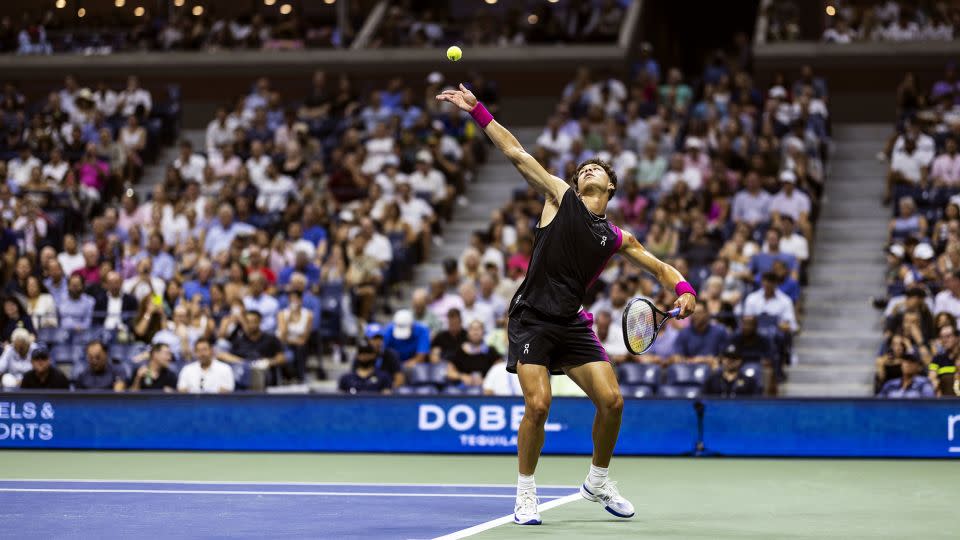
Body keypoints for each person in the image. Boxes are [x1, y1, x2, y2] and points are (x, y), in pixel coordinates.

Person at [437, 84, 696, 525]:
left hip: (572, 322)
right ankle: (525, 493)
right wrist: (477, 110)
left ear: (610, 187)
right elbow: (517, 153)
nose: (590, 169)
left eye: (598, 169)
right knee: (538, 405)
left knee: (612, 401)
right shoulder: (561, 197)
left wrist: (686, 289)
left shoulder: (617, 237)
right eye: (585, 167)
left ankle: (597, 480)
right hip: (531, 318)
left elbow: (659, 268)